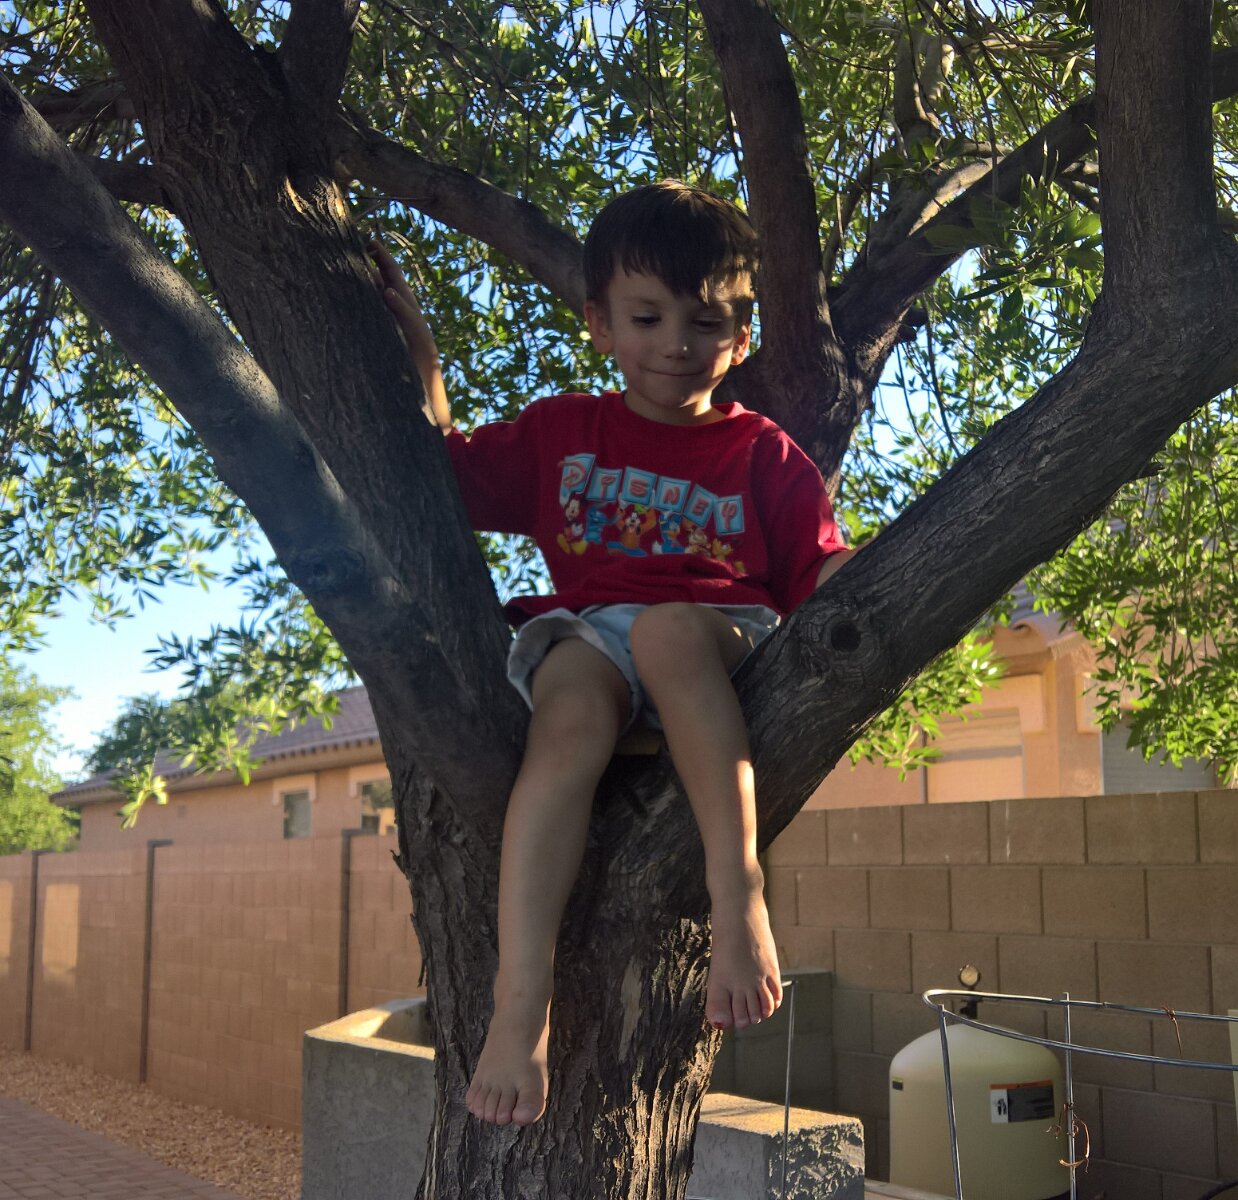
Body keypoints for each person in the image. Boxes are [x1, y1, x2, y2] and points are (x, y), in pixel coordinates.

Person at [370, 181, 855, 1129]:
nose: (676, 342)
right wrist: (421, 360)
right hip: (592, 631)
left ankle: (738, 898)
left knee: (669, 629)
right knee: (564, 719)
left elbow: (824, 571)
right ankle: (522, 1000)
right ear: (600, 323)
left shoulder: (762, 452)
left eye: (705, 321)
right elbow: (447, 472)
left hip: (715, 635)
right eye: (647, 317)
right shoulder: (563, 433)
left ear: (740, 337)